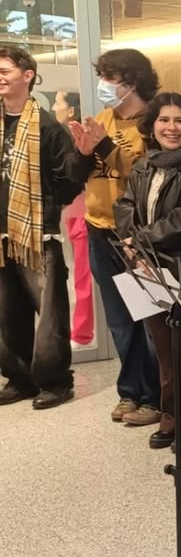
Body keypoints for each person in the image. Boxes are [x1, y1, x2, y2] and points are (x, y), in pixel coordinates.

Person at [114, 93, 181, 451]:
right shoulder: (145, 166)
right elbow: (125, 204)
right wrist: (131, 241)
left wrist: (139, 240)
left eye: (179, 120)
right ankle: (171, 416)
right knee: (162, 346)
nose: (171, 128)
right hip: (145, 268)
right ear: (152, 125)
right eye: (164, 120)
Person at [64, 49, 162, 425]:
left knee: (147, 318)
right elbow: (77, 174)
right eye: (102, 76)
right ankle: (130, 392)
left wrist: (104, 146)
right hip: (98, 226)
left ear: (131, 82)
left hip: (136, 235)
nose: (103, 85)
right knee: (120, 320)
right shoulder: (103, 118)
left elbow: (143, 175)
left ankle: (155, 397)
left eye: (110, 77)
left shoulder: (154, 121)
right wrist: (85, 152)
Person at [0, 47, 78, 409]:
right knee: (6, 311)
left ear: (27, 76)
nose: (0, 78)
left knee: (49, 314)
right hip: (1, 236)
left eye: (5, 71)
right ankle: (20, 378)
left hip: (36, 235)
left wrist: (44, 208)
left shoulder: (47, 126)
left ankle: (56, 382)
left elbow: (68, 182)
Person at [53, 91, 94, 346]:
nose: (54, 106)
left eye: (58, 102)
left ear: (71, 111)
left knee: (83, 274)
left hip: (82, 211)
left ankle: (83, 331)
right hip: (71, 212)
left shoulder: (73, 138)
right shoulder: (61, 135)